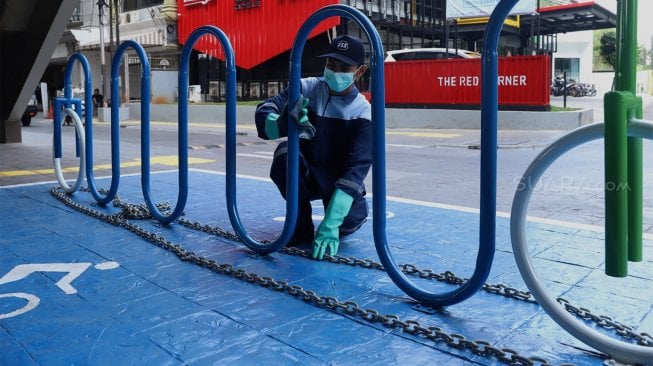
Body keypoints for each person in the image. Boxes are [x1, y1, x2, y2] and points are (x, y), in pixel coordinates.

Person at [255, 35, 372, 260]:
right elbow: (265, 108)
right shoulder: (305, 87)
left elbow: (357, 170)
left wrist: (331, 223)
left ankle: (336, 219)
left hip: (339, 182)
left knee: (347, 223)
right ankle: (299, 227)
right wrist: (281, 122)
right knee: (284, 153)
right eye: (331, 64)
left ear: (359, 71)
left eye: (344, 67)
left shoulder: (363, 112)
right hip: (307, 173)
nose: (335, 72)